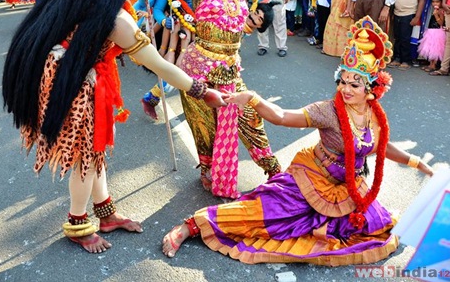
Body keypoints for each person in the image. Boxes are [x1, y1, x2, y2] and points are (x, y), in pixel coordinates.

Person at [2, 0, 225, 254]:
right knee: (85, 157)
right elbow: (160, 65)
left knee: (96, 148)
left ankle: (105, 213)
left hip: (81, 72)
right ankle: (78, 224)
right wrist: (202, 90)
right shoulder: (118, 19)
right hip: (75, 79)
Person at [162, 16, 434, 263]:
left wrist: (416, 162)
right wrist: (253, 98)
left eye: (355, 84)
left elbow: (380, 146)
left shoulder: (374, 115)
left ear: (372, 90)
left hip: (349, 189)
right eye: (343, 81)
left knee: (377, 226)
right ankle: (191, 226)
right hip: (310, 181)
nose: (346, 89)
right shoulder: (328, 111)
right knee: (265, 215)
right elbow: (281, 116)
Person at [178, 0, 280, 199]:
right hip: (197, 68)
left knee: (248, 116)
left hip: (229, 68)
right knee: (205, 124)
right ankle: (208, 168)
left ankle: (273, 169)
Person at [387, 0, 427, 70]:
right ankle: (396, 58)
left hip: (409, 14)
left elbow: (422, 0)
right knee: (397, 37)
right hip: (397, 12)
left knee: (405, 38)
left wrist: (417, 16)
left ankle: (406, 60)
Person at [418, 0, 446, 73]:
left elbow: (441, 23)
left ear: (441, 2)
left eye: (437, 2)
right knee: (430, 48)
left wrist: (436, 15)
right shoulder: (434, 10)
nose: (435, 3)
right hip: (431, 31)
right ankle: (430, 63)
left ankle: (434, 65)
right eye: (433, 2)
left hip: (438, 32)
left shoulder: (441, 11)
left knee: (436, 49)